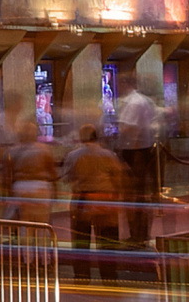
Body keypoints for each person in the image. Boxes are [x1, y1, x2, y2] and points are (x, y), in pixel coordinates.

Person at [63, 125, 124, 281]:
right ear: (97, 137)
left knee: (81, 241)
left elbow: (68, 178)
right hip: (105, 198)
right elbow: (118, 179)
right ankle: (109, 276)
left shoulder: (73, 155)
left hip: (82, 200)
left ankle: (82, 276)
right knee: (107, 240)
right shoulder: (109, 155)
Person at [116, 73, 158, 245]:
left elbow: (129, 129)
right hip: (140, 150)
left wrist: (123, 155)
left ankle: (137, 235)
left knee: (134, 196)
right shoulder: (143, 101)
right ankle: (140, 233)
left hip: (135, 152)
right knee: (139, 196)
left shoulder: (134, 103)